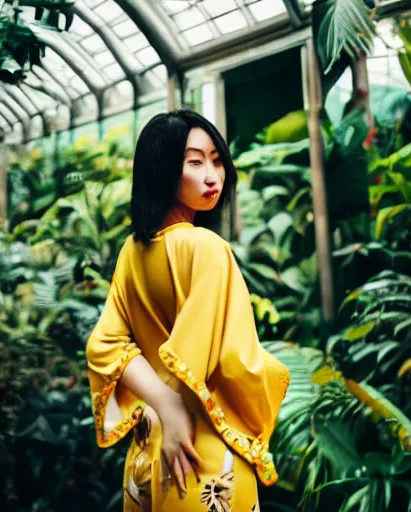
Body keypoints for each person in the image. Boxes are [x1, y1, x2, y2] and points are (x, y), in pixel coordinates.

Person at [86, 110, 290, 512]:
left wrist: (163, 402)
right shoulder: (208, 248)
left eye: (217, 160)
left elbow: (103, 346)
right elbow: (232, 364)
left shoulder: (132, 252)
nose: (213, 174)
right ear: (162, 170)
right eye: (195, 161)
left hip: (147, 454)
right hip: (203, 455)